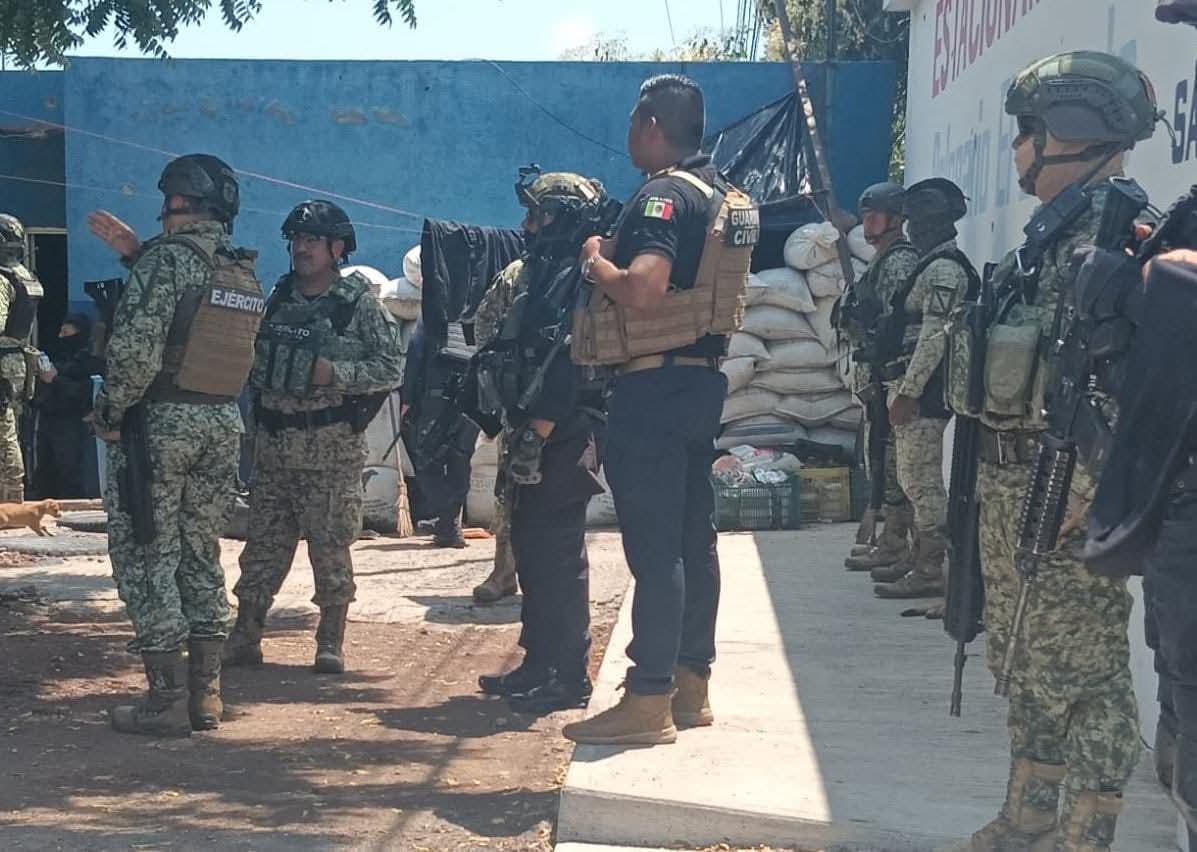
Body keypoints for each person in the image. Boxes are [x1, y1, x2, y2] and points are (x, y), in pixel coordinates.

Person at [944, 53, 1159, 849]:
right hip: (1014, 486)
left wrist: (1089, 490)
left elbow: (1138, 390)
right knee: (1024, 655)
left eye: (1026, 131)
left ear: (1069, 134)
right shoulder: (1053, 238)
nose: (1016, 149)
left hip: (1069, 492)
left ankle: (1085, 834)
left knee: (1087, 674)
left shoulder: (1120, 242)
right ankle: (1029, 813)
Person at [563, 74, 758, 745]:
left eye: (631, 123)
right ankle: (689, 685)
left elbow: (643, 289)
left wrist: (595, 262)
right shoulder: (721, 193)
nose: (628, 135)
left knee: (654, 548)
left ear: (650, 125)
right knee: (692, 539)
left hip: (652, 388)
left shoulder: (663, 196)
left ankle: (647, 699)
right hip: (700, 384)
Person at [87, 154, 263, 736]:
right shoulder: (240, 268)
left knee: (148, 554)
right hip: (220, 422)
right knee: (199, 553)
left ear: (176, 201)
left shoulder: (164, 260)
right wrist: (137, 253)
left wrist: (109, 411)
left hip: (159, 427)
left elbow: (137, 352)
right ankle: (206, 697)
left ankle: (164, 702)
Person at [224, 200, 403, 675]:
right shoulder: (277, 299)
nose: (301, 249)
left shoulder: (359, 305)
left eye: (312, 241)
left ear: (337, 248)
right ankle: (245, 636)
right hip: (274, 451)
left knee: (330, 548)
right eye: (296, 240)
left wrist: (334, 373)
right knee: (262, 549)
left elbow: (390, 368)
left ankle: (330, 642)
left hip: (330, 452)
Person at [474, 169, 610, 713]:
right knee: (529, 548)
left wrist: (541, 429)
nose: (529, 225)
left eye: (540, 214)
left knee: (559, 557)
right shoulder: (543, 271)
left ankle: (569, 675)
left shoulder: (583, 278)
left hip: (562, 432)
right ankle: (539, 660)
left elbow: (575, 364)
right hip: (530, 428)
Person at [873, 179, 976, 603]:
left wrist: (909, 392)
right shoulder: (931, 265)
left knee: (922, 482)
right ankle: (921, 560)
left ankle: (933, 570)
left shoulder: (944, 270)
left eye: (916, 223)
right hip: (913, 386)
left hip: (925, 393)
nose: (910, 231)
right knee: (911, 478)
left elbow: (935, 336)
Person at [838, 183, 919, 575]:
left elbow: (895, 324)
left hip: (894, 378)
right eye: (865, 216)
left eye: (875, 216)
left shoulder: (900, 262)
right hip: (878, 379)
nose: (868, 224)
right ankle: (891, 543)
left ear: (896, 219)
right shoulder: (881, 261)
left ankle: (905, 549)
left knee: (898, 470)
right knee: (883, 464)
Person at [31, 314, 101, 499]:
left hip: (71, 421)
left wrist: (55, 380)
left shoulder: (88, 362)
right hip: (49, 419)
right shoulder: (59, 358)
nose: (61, 337)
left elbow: (83, 392)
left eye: (66, 333)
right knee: (45, 470)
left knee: (69, 471)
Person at [0, 213, 43, 502]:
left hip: (3, 363)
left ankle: (11, 502)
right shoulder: (25, 275)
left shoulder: (2, 279)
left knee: (4, 435)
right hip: (16, 363)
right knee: (10, 430)